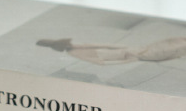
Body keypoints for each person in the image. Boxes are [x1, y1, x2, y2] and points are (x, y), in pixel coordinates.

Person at [36, 36, 186, 65]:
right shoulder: (74, 52)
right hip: (134, 54)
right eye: (66, 44)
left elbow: (106, 44)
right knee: (169, 50)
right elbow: (100, 62)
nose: (70, 44)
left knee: (170, 43)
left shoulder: (80, 45)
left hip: (134, 49)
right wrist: (130, 59)